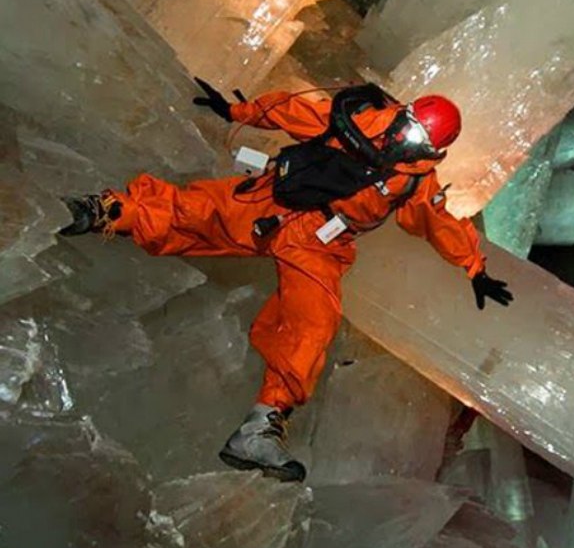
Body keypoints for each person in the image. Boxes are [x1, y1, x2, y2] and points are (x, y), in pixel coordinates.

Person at [58, 79, 514, 481]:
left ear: (433, 148)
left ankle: (261, 426)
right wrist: (238, 112)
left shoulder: (416, 182)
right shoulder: (359, 118)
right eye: (409, 126)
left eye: (418, 138)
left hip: (321, 242)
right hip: (272, 201)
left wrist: (474, 267)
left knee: (313, 325)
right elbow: (296, 111)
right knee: (191, 211)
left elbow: (437, 222)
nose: (405, 138)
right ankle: (101, 211)